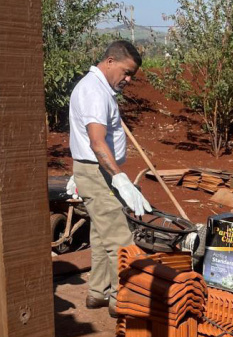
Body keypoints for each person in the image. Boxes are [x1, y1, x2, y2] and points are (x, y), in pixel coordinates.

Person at [68, 40, 151, 317]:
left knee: (101, 234)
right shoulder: (94, 92)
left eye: (132, 76)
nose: (127, 79)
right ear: (110, 62)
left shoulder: (99, 89)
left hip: (95, 170)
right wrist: (120, 179)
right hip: (98, 171)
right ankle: (122, 300)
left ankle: (98, 292)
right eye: (126, 72)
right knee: (120, 238)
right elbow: (96, 141)